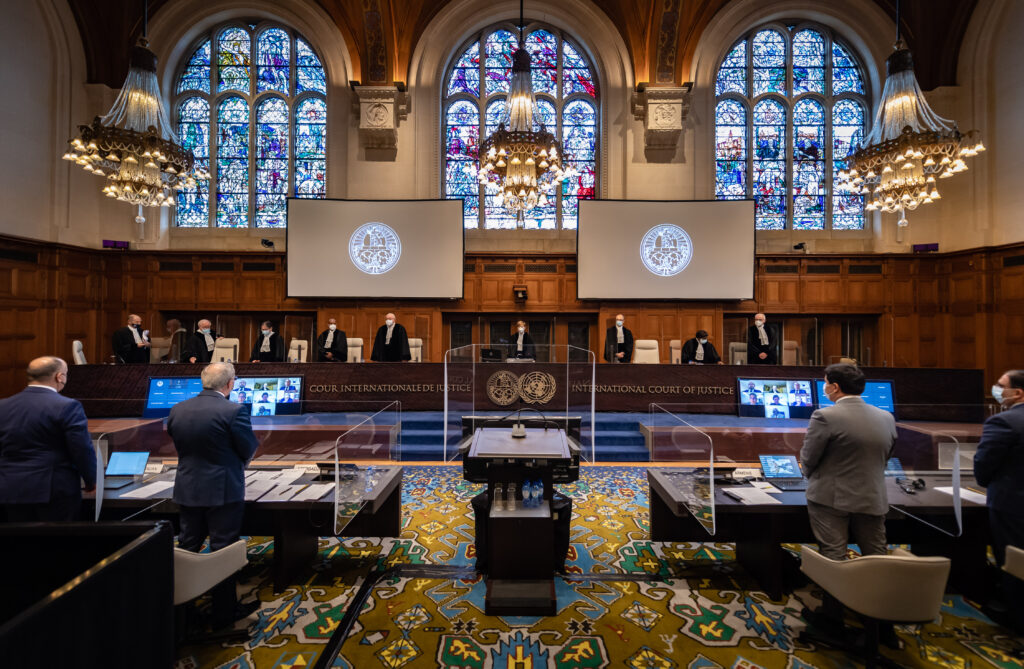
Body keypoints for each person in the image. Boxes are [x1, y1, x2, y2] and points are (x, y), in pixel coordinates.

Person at [799, 363, 897, 638]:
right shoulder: (886, 417)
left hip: (831, 499)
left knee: (834, 557)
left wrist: (810, 474)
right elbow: (887, 455)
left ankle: (833, 619)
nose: (825, 387)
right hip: (872, 496)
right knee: (877, 556)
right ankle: (881, 620)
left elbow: (808, 459)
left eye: (825, 382)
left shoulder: (826, 416)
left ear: (835, 387)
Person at [167, 362, 260, 629]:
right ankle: (224, 611)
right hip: (223, 490)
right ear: (230, 384)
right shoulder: (234, 411)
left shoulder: (178, 409)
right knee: (223, 550)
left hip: (187, 487)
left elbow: (179, 443)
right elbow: (247, 448)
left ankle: (182, 611)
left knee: (187, 547)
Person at [0, 357, 97, 521]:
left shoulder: (3, 406)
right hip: (52, 490)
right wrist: (90, 480)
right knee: (53, 544)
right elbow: (80, 448)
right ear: (59, 377)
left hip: (8, 488)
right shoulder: (67, 406)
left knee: (14, 544)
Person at [974, 370, 1024, 633]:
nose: (995, 389)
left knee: (1012, 559)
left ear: (1018, 393)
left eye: (1000, 386)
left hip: (1012, 505)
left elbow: (983, 467)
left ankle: (1015, 618)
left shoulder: (1004, 422)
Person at [471, 488, 572, 574]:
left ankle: (556, 563)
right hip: (503, 487)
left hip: (538, 488)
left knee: (562, 505)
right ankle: (485, 562)